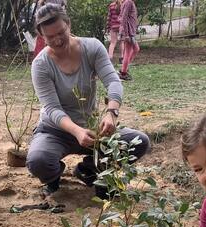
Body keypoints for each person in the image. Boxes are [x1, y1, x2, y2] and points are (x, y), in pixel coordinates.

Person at [26, 3, 150, 198]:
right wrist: (76, 131)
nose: (57, 40)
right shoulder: (41, 65)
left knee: (139, 142)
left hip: (93, 128)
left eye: (61, 32)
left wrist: (111, 113)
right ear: (42, 36)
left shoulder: (92, 47)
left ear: (69, 24)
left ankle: (89, 170)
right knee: (38, 161)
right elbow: (52, 108)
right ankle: (53, 177)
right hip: (56, 130)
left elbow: (113, 81)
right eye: (50, 37)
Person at [118, 0, 139, 81]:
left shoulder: (128, 2)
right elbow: (123, 18)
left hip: (131, 32)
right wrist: (126, 34)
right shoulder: (128, 2)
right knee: (128, 52)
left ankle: (124, 68)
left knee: (136, 49)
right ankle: (123, 73)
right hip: (128, 32)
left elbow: (120, 17)